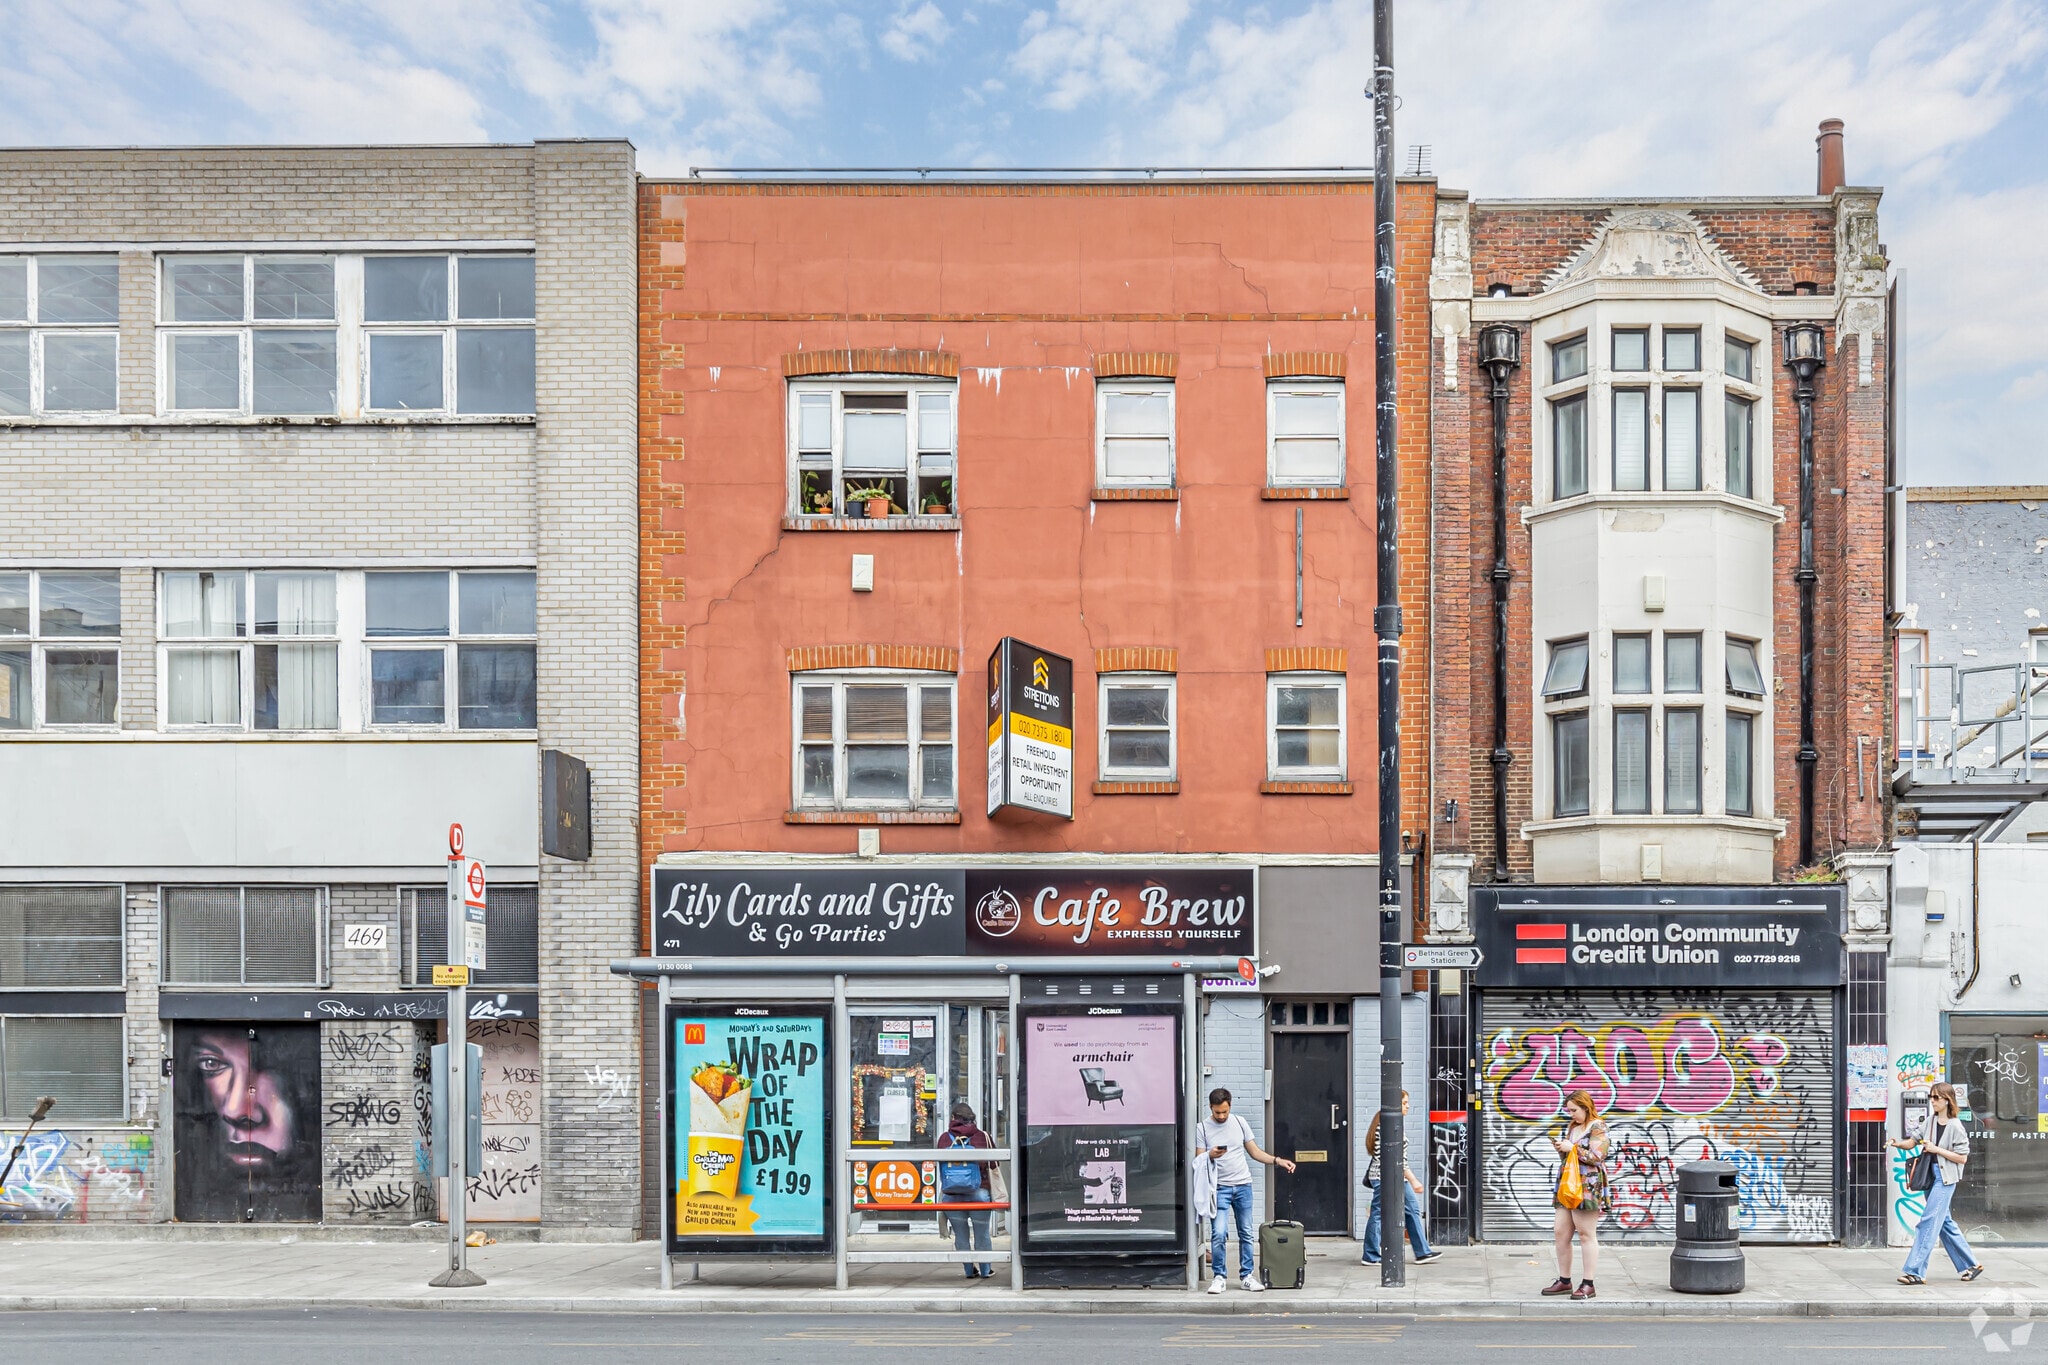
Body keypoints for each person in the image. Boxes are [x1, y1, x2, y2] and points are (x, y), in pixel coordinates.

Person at [1194, 1087, 1296, 1294]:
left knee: (1246, 1233)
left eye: (1224, 1111)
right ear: (1210, 1107)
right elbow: (1198, 1159)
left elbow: (1255, 1152)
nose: (1221, 1116)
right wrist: (1211, 1155)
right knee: (1219, 1233)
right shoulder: (1202, 1128)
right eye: (1217, 1112)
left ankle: (1246, 1276)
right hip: (1219, 1188)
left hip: (1243, 1186)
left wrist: (1278, 1161)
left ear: (1230, 1105)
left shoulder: (1240, 1122)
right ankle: (1219, 1277)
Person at [1890, 1082, 1986, 1285]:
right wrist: (1897, 1143)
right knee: (1944, 1223)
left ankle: (1915, 1271)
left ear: (1947, 1100)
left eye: (1936, 1098)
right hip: (1930, 1177)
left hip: (1946, 1178)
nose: (1932, 1101)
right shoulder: (1931, 1121)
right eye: (1930, 1098)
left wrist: (1936, 1150)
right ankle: (1971, 1265)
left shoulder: (1955, 1126)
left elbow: (1962, 1158)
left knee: (1928, 1221)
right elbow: (1913, 1141)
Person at [1542, 1089, 1610, 1302]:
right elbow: (1571, 1157)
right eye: (1569, 1110)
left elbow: (1598, 1157)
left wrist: (1572, 1148)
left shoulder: (1598, 1126)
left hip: (1587, 1185)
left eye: (1574, 1110)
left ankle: (1588, 1284)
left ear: (1585, 1107)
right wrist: (1562, 1149)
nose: (1570, 1114)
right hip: (1568, 1184)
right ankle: (1564, 1280)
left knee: (1585, 1234)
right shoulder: (1573, 1127)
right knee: (1560, 1232)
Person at [1362, 1090, 1442, 1266]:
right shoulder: (1388, 1125)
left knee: (1412, 1210)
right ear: (1395, 1105)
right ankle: (1370, 1254)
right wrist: (1414, 1180)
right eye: (1405, 1103)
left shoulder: (1389, 1123)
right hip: (1384, 1177)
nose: (1408, 1106)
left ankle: (1422, 1252)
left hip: (1395, 1176)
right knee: (1378, 1214)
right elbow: (1396, 1158)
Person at [940, 1101, 995, 1278]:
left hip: (951, 1195)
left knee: (961, 1235)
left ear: (953, 1118)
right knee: (982, 1234)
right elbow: (994, 1163)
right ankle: (986, 1270)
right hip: (979, 1193)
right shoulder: (982, 1136)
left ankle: (969, 1270)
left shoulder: (944, 1138)